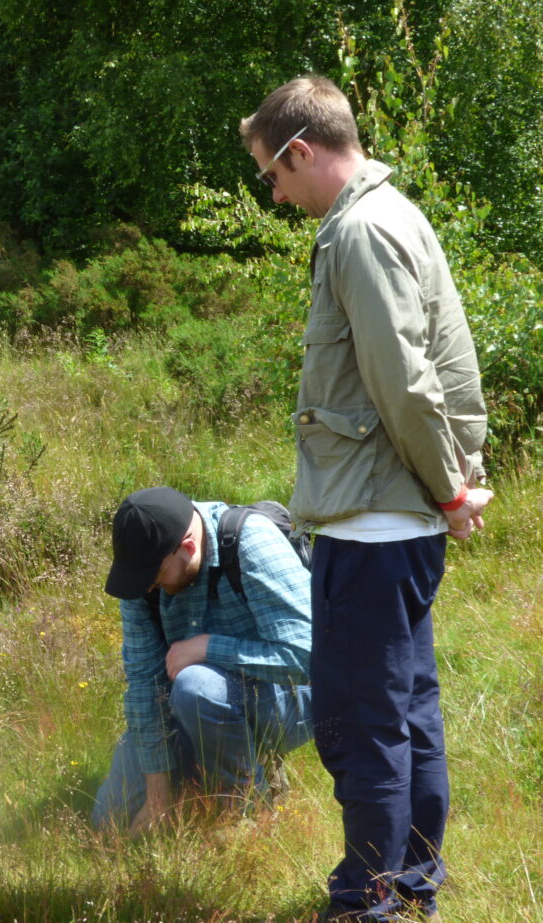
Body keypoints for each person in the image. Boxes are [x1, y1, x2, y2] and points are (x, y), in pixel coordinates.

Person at [240, 75, 494, 922]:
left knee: (360, 720)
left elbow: (406, 382)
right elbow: (445, 370)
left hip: (375, 523)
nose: (274, 195)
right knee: (407, 711)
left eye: (272, 177)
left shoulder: (359, 231)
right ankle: (411, 885)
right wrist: (452, 480)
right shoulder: (398, 214)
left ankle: (365, 900)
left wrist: (450, 489)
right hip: (394, 515)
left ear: (301, 151)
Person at [92, 486, 313, 835]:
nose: (150, 589)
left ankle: (244, 808)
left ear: (189, 547)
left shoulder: (249, 542)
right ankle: (197, 773)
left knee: (196, 685)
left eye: (156, 578)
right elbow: (143, 686)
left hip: (288, 697)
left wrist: (210, 648)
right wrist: (158, 796)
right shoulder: (145, 572)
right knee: (109, 820)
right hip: (194, 703)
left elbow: (309, 656)